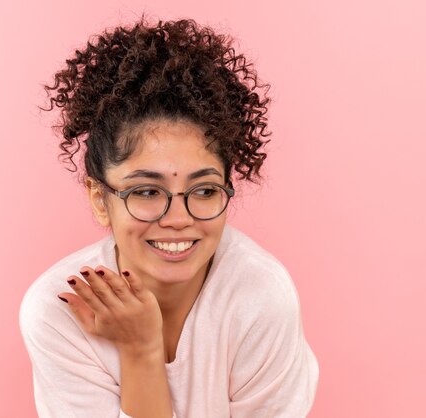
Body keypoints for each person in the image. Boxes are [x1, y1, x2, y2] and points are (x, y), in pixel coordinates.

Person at [19, 16, 319, 418]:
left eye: (205, 190)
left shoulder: (258, 297)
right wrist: (142, 350)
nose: (178, 218)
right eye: (146, 191)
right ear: (98, 197)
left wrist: (144, 348)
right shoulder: (60, 309)